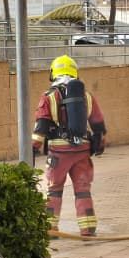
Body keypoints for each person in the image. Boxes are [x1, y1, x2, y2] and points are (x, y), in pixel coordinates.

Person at [33, 55, 107, 237]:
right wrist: (99, 144)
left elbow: (41, 125)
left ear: (53, 73)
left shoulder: (49, 96)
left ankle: (50, 230)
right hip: (82, 151)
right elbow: (98, 124)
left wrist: (33, 147)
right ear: (75, 72)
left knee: (54, 190)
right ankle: (88, 229)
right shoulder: (87, 96)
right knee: (83, 190)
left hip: (58, 153)